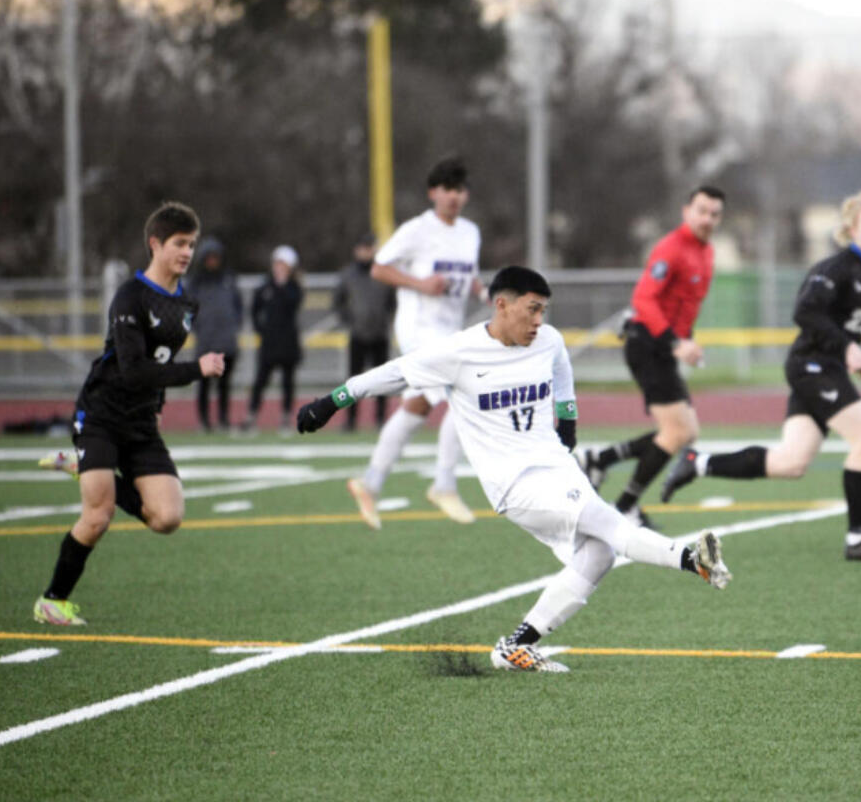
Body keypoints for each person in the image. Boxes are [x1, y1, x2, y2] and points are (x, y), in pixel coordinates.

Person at [296, 266, 730, 672]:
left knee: (599, 554)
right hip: (514, 483)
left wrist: (569, 422)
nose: (539, 320)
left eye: (544, 310)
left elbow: (562, 376)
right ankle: (693, 560)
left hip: (556, 468)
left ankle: (516, 646)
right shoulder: (459, 351)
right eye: (532, 309)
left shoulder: (549, 339)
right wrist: (331, 402)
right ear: (501, 305)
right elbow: (394, 374)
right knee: (608, 522)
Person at [660, 191, 861, 561]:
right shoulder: (834, 269)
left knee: (791, 463)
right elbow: (805, 313)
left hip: (827, 368)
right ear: (851, 229)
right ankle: (859, 539)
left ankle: (697, 463)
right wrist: (846, 347)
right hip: (812, 365)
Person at [32, 201, 225, 625]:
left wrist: (156, 407)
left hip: (140, 422)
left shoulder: (187, 305)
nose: (187, 252)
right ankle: (52, 601)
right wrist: (198, 368)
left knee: (168, 518)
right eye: (179, 243)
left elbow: (157, 365)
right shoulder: (130, 296)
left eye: (191, 244)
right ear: (155, 244)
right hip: (101, 415)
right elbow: (136, 369)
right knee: (97, 516)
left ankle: (84, 467)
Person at [574, 185, 726, 527]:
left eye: (715, 213)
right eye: (702, 210)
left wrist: (687, 341)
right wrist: (676, 342)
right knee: (677, 432)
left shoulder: (707, 252)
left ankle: (600, 460)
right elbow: (644, 300)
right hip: (646, 343)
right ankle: (624, 505)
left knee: (683, 431)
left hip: (663, 347)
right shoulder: (671, 248)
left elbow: (686, 305)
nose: (708, 218)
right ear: (686, 211)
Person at [348, 156, 486, 529]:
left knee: (417, 405)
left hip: (449, 330)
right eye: (448, 189)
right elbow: (379, 267)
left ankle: (370, 483)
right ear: (433, 193)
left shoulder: (470, 233)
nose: (454, 196)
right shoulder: (418, 230)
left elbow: (468, 277)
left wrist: (486, 292)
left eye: (460, 190)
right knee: (468, 392)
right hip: (419, 330)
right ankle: (444, 483)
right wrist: (420, 284)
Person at [333, 231, 397, 430]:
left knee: (383, 380)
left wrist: (386, 319)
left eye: (371, 248)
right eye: (365, 248)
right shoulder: (348, 275)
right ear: (357, 250)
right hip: (358, 334)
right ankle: (351, 420)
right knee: (354, 380)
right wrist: (350, 320)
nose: (368, 252)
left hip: (379, 334)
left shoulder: (383, 271)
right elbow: (338, 302)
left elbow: (392, 301)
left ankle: (380, 419)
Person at [243, 245, 303, 434]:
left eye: (283, 264)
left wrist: (283, 285)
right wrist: (261, 330)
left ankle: (286, 418)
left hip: (288, 343)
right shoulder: (264, 286)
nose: (279, 267)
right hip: (269, 343)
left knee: (288, 383)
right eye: (277, 263)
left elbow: (293, 304)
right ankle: (251, 417)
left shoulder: (294, 287)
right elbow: (254, 311)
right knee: (260, 381)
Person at [185, 236, 243, 432]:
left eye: (215, 257)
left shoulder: (228, 279)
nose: (212, 262)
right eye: (209, 258)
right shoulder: (196, 283)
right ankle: (204, 421)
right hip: (206, 342)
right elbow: (187, 310)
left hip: (226, 341)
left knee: (224, 384)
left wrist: (234, 325)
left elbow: (238, 306)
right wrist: (199, 327)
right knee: (204, 385)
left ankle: (223, 419)